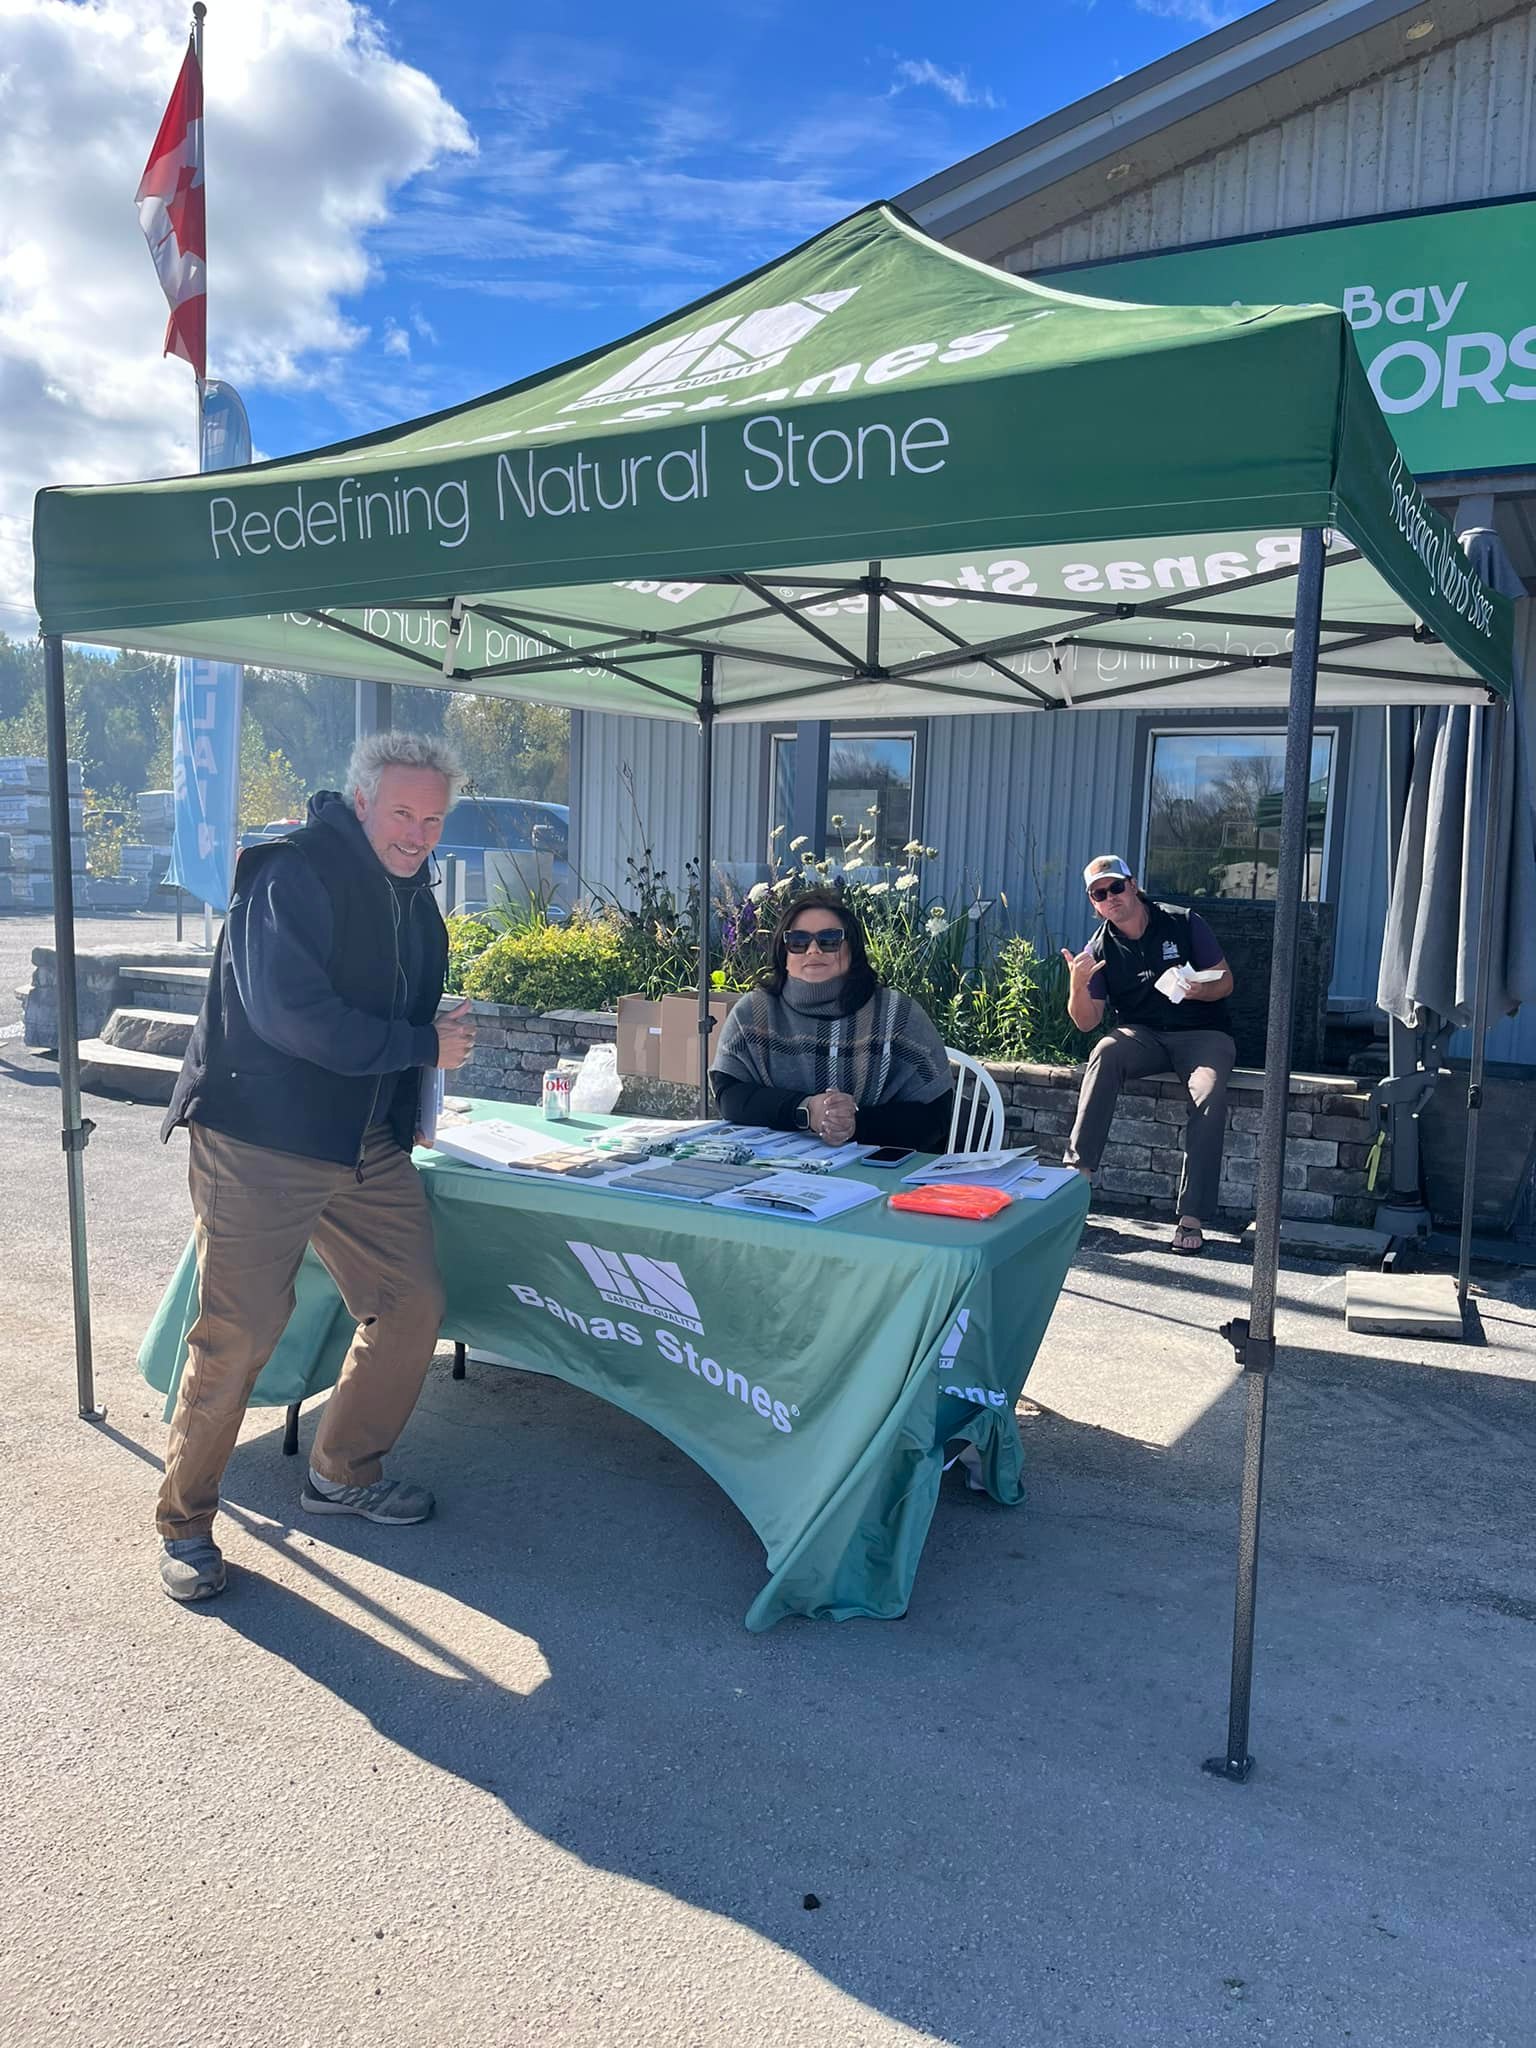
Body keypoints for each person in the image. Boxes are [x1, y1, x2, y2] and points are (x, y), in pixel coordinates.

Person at [154, 731, 477, 1603]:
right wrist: (420, 1043)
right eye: (404, 812)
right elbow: (290, 1014)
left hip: (362, 1139)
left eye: (434, 818)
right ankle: (184, 1523)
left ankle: (342, 1472)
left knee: (413, 1305)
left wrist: (420, 1062)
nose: (418, 832)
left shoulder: (411, 890)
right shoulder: (292, 869)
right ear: (362, 799)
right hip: (262, 1139)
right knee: (241, 1336)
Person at [1061, 854, 1236, 1255]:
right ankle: (1076, 1183)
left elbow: (1226, 981)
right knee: (1104, 1051)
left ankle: (1191, 1216)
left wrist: (1198, 989)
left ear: (1133, 884)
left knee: (1209, 1093)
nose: (1110, 898)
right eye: (1099, 894)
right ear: (1094, 903)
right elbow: (1087, 1022)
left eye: (1116, 887)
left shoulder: (1182, 921)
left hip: (1203, 1033)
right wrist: (1077, 986)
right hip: (1144, 1035)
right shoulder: (1099, 947)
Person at [710, 886, 954, 1151]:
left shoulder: (899, 1015)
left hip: (880, 1169)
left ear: (853, 950)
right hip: (776, 1169)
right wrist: (806, 1110)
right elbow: (729, 1097)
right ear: (784, 952)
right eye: (799, 941)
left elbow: (936, 1117)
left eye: (829, 939)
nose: (813, 950)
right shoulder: (753, 1012)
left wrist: (855, 1124)